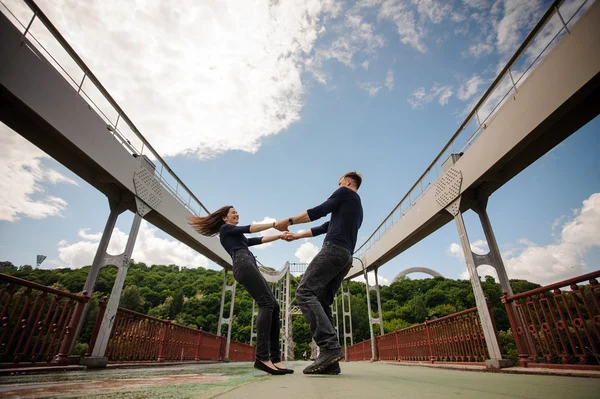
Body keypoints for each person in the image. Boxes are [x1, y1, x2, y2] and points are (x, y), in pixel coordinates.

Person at [275, 172, 363, 375]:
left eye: (339, 180)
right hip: (346, 257)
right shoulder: (355, 207)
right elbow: (324, 227)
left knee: (304, 292)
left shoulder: (344, 193)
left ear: (348, 181)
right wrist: (297, 236)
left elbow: (319, 211)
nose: (338, 184)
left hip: (333, 250)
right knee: (322, 301)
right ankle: (330, 362)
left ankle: (330, 346)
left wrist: (289, 221)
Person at [188, 206, 294, 375]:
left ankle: (275, 359)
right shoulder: (226, 229)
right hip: (243, 263)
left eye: (237, 211)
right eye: (233, 212)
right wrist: (274, 224)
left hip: (247, 262)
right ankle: (262, 357)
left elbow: (257, 240)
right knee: (266, 303)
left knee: (274, 306)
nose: (237, 213)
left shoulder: (236, 237)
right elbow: (250, 229)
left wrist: (280, 236)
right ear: (225, 218)